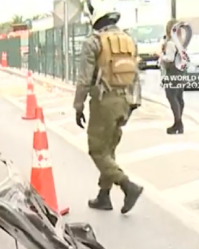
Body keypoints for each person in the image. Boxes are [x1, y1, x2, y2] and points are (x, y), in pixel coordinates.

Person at [73, 0, 144, 214]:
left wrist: (78, 105)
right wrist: (134, 104)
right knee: (109, 149)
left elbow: (85, 79)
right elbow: (135, 75)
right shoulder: (129, 40)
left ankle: (127, 186)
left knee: (97, 150)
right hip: (126, 101)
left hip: (104, 102)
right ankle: (103, 197)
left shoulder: (93, 42)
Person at [161, 19, 185, 134]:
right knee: (179, 97)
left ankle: (178, 123)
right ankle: (179, 123)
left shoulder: (170, 43)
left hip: (172, 72)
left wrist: (160, 56)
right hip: (181, 72)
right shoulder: (180, 41)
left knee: (171, 96)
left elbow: (169, 59)